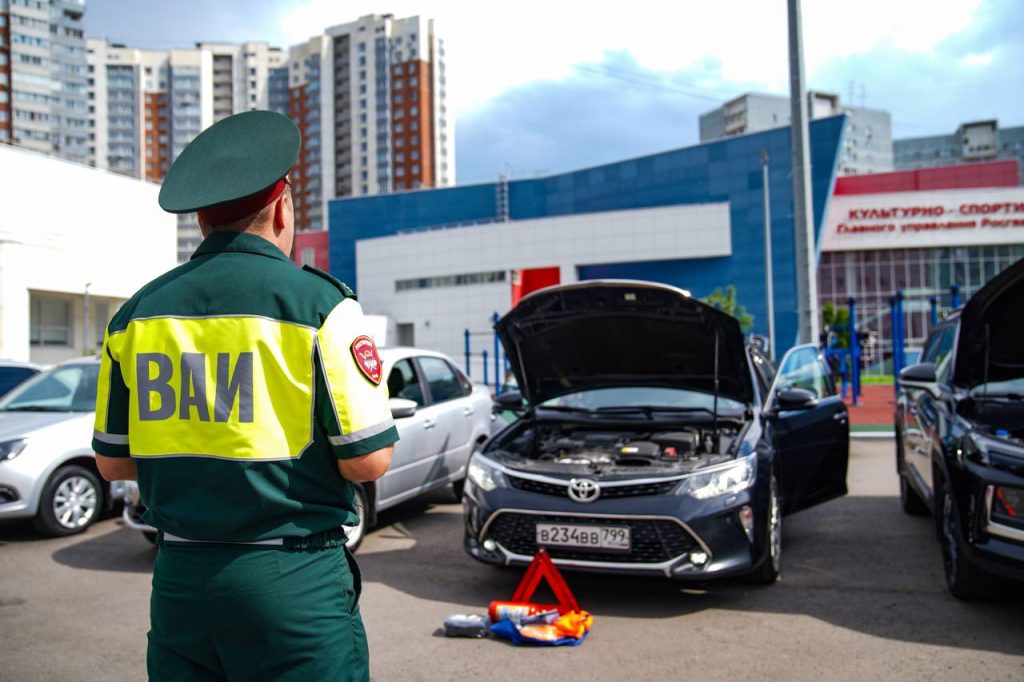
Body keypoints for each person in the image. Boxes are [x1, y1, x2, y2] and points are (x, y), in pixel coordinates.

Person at [92, 110, 397, 681]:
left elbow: (112, 462)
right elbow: (367, 459)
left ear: (202, 220)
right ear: (283, 209)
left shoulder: (133, 316)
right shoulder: (321, 306)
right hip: (292, 583)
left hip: (180, 579)